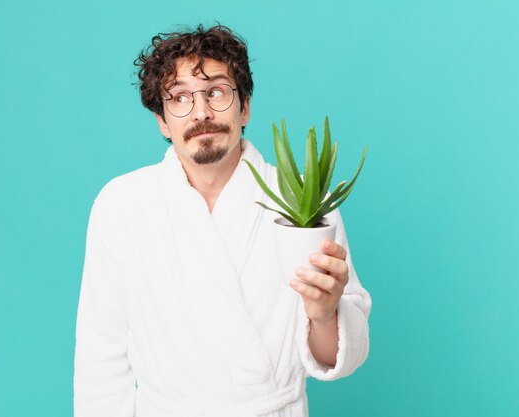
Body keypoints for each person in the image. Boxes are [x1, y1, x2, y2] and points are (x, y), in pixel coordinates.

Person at [73, 24, 371, 417]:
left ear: (244, 107)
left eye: (216, 91)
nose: (201, 112)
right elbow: (101, 355)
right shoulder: (121, 204)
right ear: (163, 121)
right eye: (179, 97)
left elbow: (341, 357)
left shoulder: (305, 199)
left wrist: (324, 313)